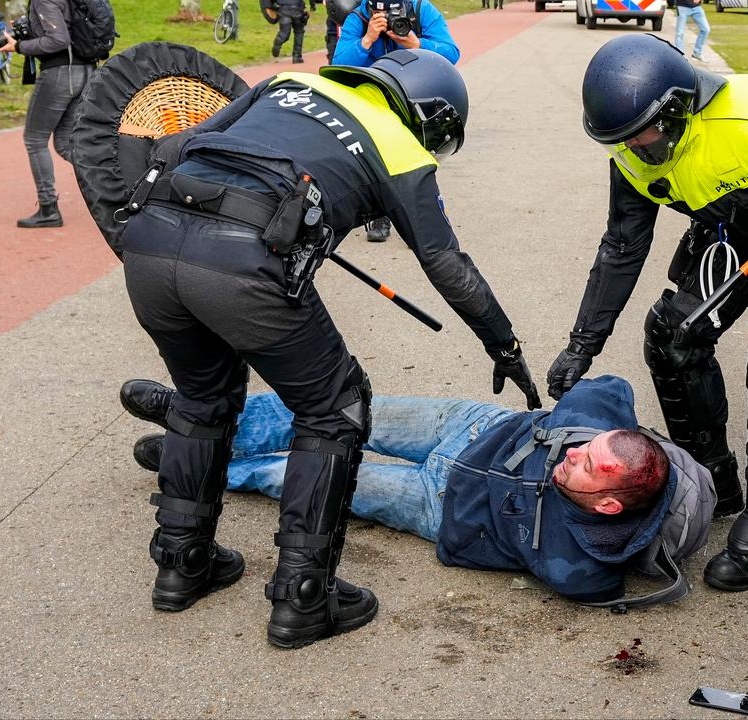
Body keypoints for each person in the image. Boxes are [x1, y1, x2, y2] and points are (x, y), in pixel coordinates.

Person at [116, 49, 541, 649]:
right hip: (243, 265)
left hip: (150, 245)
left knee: (202, 397)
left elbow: (171, 148)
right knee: (336, 408)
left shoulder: (286, 81)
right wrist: (505, 346)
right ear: (432, 116)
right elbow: (447, 264)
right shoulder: (400, 146)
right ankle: (303, 596)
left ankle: (182, 563)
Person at [547, 34, 748, 592]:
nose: (638, 148)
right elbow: (623, 245)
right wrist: (583, 343)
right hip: (734, 237)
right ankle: (714, 478)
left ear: (678, 108)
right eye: (625, 141)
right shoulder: (629, 151)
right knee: (672, 336)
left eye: (646, 134)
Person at [122, 375, 713, 605]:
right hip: (471, 425)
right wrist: (603, 435)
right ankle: (195, 419)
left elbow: (591, 583)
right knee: (337, 411)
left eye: (588, 466)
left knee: (294, 476)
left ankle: (192, 462)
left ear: (609, 506)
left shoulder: (581, 562)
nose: (575, 455)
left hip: (436, 503)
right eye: (589, 445)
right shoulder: (597, 428)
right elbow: (609, 385)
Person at [332, 0, 460, 242]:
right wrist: (367, 39)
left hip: (418, 93)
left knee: (421, 159)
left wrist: (417, 44)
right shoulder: (358, 19)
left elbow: (451, 52)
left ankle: (426, 221)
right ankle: (381, 214)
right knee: (378, 158)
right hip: (375, 98)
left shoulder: (422, 10)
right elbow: (339, 64)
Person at [0, 0, 97, 228]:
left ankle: (48, 208)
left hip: (60, 74)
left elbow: (58, 40)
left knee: (34, 140)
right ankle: (117, 187)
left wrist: (19, 47)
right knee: (65, 143)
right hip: (85, 72)